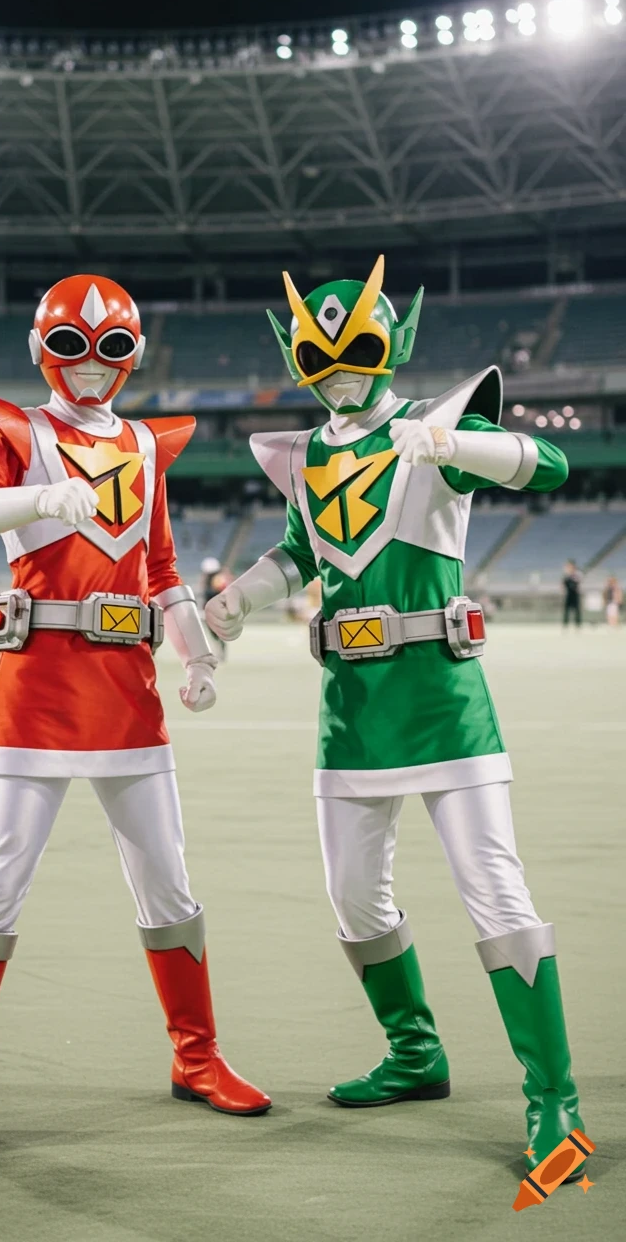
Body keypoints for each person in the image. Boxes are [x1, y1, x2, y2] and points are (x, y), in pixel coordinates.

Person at [206, 257, 584, 1175]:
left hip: (446, 702)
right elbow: (301, 551)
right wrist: (239, 599)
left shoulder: (432, 428)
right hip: (351, 707)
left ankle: (554, 1101)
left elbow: (551, 464)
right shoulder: (307, 455)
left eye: (358, 347)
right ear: (298, 360)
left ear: (391, 346)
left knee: (495, 893)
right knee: (352, 898)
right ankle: (415, 1053)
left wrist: (457, 447)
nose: (337, 367)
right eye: (318, 353)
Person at [0, 273, 270, 1166]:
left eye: (111, 348)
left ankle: (199, 1058)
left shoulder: (146, 448)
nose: (90, 366)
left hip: (129, 696)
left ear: (135, 354)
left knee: (170, 888)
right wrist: (35, 499)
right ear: (41, 350)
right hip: (34, 691)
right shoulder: (20, 436)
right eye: (70, 346)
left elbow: (159, 566)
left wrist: (196, 653)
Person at [562, 559, 582, 627]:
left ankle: (578, 623)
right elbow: (563, 583)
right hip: (568, 594)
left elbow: (578, 582)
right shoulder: (566, 574)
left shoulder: (577, 574)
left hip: (575, 594)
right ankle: (565, 623)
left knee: (577, 610)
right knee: (566, 610)